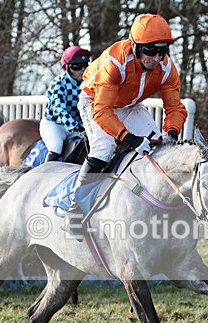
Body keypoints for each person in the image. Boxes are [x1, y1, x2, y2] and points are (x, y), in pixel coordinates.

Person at [63, 13, 188, 235]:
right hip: (96, 102)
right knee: (105, 148)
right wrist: (130, 138)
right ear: (135, 46)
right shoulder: (115, 62)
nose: (157, 58)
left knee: (161, 147)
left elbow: (175, 108)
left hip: (130, 105)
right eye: (151, 50)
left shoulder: (167, 68)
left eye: (163, 51)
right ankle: (75, 208)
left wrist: (171, 132)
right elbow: (102, 111)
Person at [40, 45, 91, 162]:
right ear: (67, 67)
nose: (82, 70)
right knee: (56, 147)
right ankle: (44, 173)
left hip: (78, 126)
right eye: (77, 66)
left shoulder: (89, 84)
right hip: (55, 125)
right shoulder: (58, 84)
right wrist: (74, 126)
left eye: (85, 65)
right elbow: (60, 110)